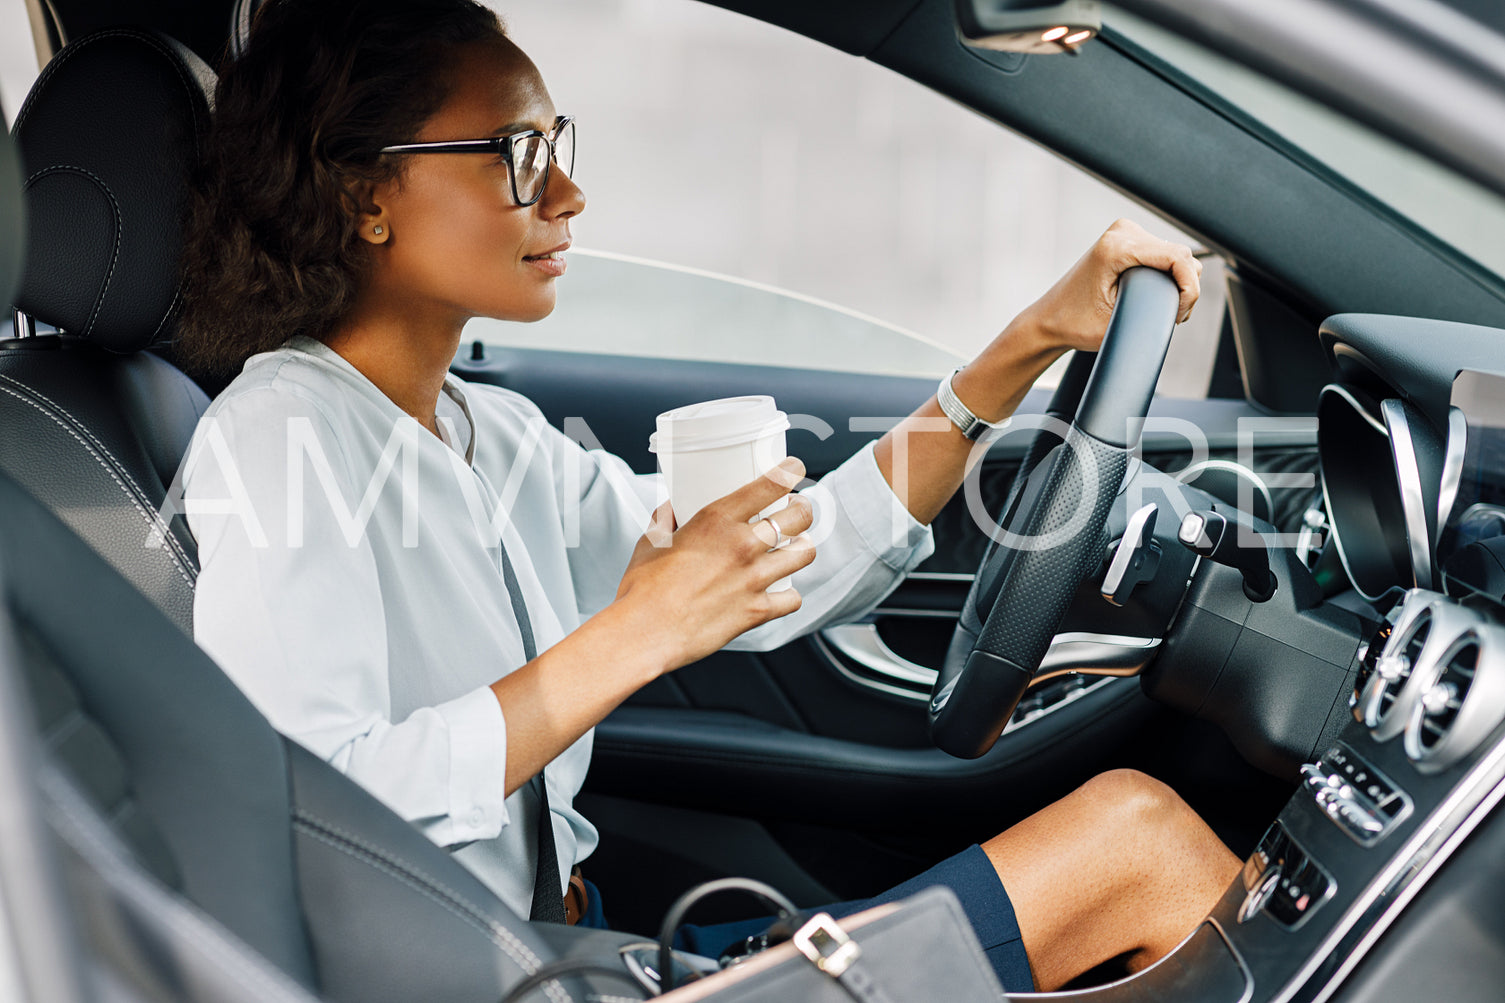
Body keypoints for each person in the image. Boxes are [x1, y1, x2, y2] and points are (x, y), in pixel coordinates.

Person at [175, 0, 1238, 992]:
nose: (567, 194)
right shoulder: (283, 438)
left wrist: (1022, 348)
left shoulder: (483, 434)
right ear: (362, 195)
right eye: (516, 155)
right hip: (486, 977)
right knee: (1136, 844)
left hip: (584, 953)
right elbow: (308, 804)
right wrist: (639, 631)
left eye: (560, 146)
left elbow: (772, 561)